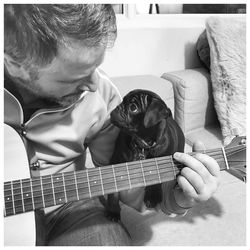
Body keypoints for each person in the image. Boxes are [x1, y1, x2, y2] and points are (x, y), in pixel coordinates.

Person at [4, 4, 220, 246]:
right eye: (76, 76)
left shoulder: (103, 96)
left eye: (96, 67)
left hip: (68, 204)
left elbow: (124, 176)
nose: (95, 85)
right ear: (15, 65)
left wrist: (174, 198)